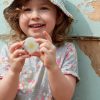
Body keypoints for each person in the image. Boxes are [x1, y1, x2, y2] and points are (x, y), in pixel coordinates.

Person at [0, 0, 80, 100]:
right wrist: (13, 71)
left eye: (44, 8)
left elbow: (64, 97)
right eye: (27, 9)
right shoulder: (11, 51)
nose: (35, 16)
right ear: (17, 17)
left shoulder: (66, 50)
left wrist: (52, 67)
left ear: (58, 17)